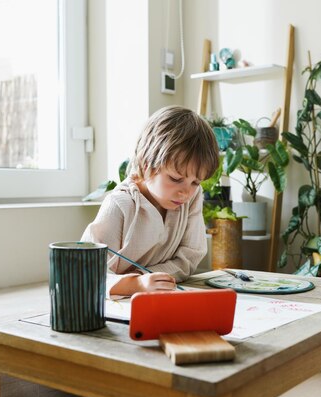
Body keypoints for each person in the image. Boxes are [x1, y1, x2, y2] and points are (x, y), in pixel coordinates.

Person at [81, 105, 219, 297]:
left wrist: (147, 276)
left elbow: (189, 258)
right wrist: (136, 284)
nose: (186, 192)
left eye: (195, 182)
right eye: (176, 179)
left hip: (160, 298)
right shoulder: (119, 204)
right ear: (147, 166)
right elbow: (86, 275)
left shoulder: (193, 196)